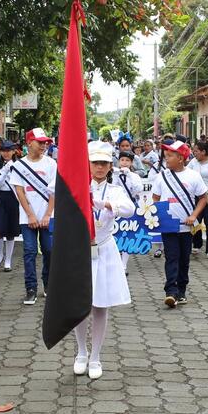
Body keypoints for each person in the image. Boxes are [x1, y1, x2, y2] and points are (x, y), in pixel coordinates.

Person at [72, 141, 136, 380]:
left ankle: (96, 356)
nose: (99, 167)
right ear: (88, 164)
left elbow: (129, 209)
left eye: (104, 163)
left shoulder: (115, 190)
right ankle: (81, 352)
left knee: (101, 304)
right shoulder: (79, 187)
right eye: (95, 163)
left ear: (110, 166)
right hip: (80, 249)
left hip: (105, 248)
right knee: (80, 304)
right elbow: (54, 190)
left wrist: (107, 204)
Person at [151, 140, 207, 308]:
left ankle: (181, 290)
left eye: (170, 156)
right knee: (171, 257)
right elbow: (155, 197)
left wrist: (194, 215)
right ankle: (171, 291)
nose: (166, 159)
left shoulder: (193, 176)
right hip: (168, 227)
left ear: (181, 158)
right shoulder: (162, 176)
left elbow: (203, 198)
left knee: (184, 259)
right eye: (165, 156)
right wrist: (160, 214)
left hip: (186, 227)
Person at [10, 128, 56, 305]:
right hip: (27, 217)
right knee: (29, 251)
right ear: (29, 143)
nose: (44, 145)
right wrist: (30, 215)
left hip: (48, 216)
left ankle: (48, 283)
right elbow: (19, 191)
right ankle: (31, 289)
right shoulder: (19, 166)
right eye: (40, 142)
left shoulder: (51, 164)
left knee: (49, 251)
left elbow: (54, 191)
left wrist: (47, 214)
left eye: (45, 143)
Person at [0, 143, 21, 272]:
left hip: (13, 198)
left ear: (13, 152)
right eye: (3, 151)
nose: (6, 153)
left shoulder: (18, 165)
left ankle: (8, 260)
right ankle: (0, 256)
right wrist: (5, 171)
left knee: (11, 232)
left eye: (9, 151)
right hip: (1, 198)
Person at [113, 150, 143, 276]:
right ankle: (115, 262)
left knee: (128, 235)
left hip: (130, 208)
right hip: (116, 207)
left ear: (131, 163)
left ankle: (123, 265)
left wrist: (129, 175)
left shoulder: (134, 176)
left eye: (127, 160)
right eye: (122, 160)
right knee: (115, 234)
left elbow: (138, 190)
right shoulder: (114, 174)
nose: (124, 163)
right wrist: (116, 175)